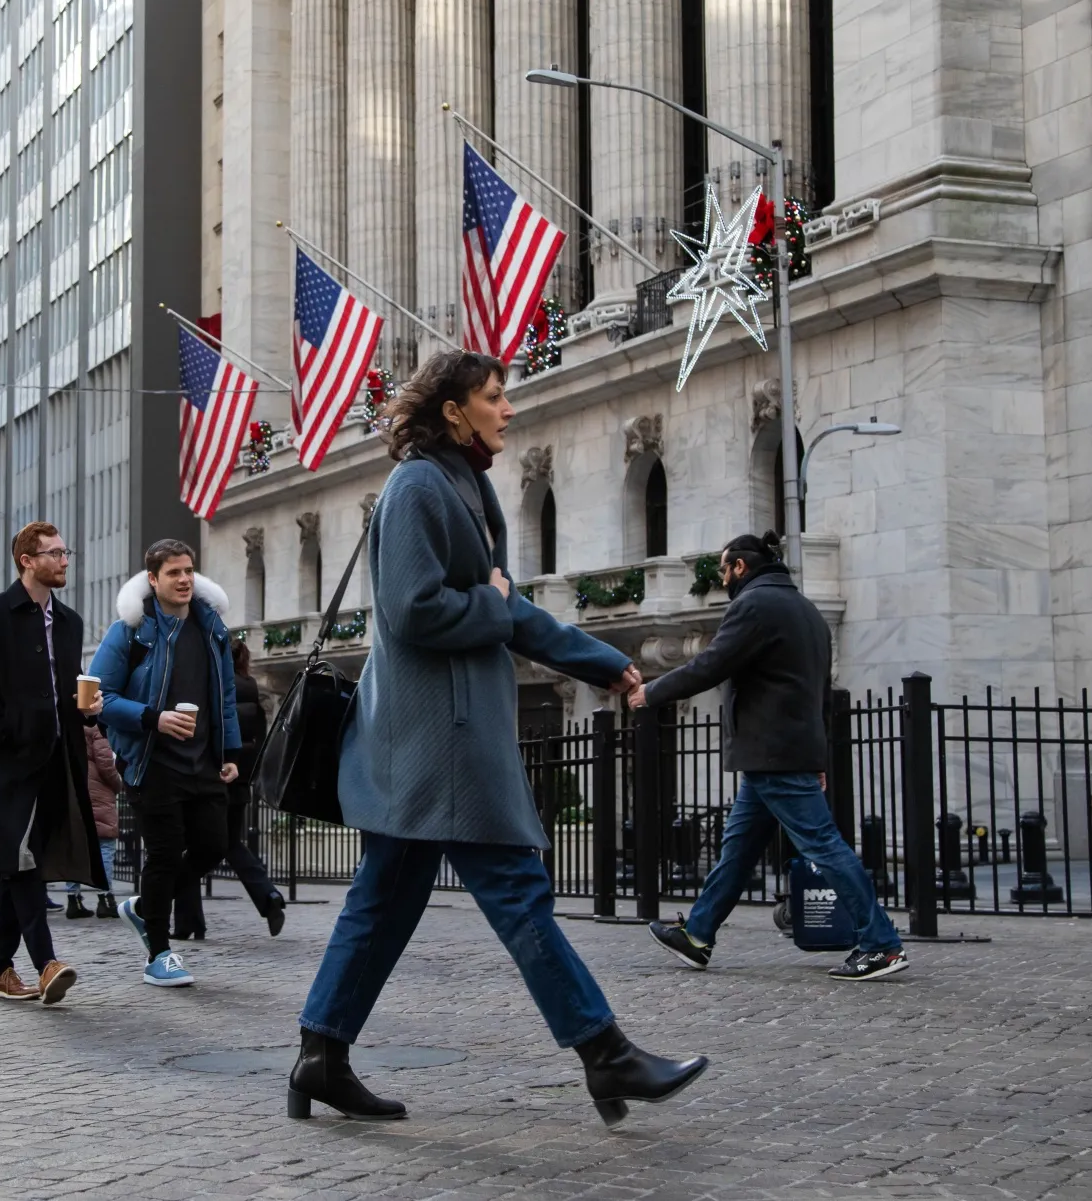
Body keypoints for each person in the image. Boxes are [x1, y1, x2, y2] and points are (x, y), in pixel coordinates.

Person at [290, 350, 707, 1127]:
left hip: (438, 736)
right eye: (493, 395)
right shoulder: (419, 484)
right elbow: (414, 609)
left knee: (381, 902)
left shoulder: (466, 483)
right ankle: (603, 1051)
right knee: (518, 892)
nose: (507, 407)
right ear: (454, 410)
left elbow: (509, 610)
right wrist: (490, 600)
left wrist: (607, 662)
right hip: (438, 741)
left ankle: (320, 1053)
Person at [632, 531, 909, 982]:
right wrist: (817, 756)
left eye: (723, 569)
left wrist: (652, 692)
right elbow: (820, 693)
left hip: (771, 751)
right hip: (780, 753)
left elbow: (712, 663)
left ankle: (881, 944)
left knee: (823, 844)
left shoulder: (754, 606)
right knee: (737, 851)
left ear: (740, 566)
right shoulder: (807, 612)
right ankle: (698, 935)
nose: (722, 579)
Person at [0, 521, 106, 1003]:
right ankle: (46, 962)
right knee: (21, 861)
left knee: (19, 866)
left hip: (58, 761)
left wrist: (85, 711)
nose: (64, 561)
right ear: (27, 560)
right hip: (7, 765)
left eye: (66, 552)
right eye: (55, 553)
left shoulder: (71, 622)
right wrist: (10, 729)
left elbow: (61, 690)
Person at [92, 538, 243, 989]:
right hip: (151, 762)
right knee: (161, 853)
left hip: (203, 764)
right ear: (152, 579)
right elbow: (98, 697)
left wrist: (230, 753)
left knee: (214, 845)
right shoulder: (130, 632)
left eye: (189, 571)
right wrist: (153, 718)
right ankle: (158, 953)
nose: (183, 580)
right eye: (173, 572)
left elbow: (226, 698)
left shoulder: (212, 628)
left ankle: (143, 907)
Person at [172, 639, 284, 941]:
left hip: (211, 778)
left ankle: (187, 922)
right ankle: (268, 895)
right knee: (232, 843)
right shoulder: (252, 690)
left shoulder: (215, 686)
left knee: (191, 848)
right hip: (240, 779)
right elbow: (259, 739)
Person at [64, 723, 122, 921]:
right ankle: (105, 899)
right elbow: (106, 764)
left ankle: (74, 900)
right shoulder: (96, 728)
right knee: (104, 847)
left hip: (73, 789)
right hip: (98, 793)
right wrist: (118, 784)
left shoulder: (68, 726)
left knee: (75, 849)